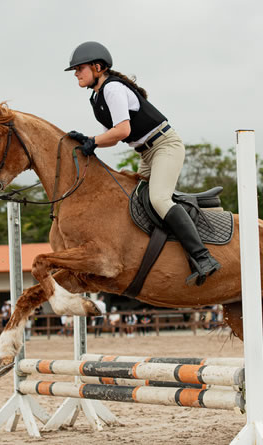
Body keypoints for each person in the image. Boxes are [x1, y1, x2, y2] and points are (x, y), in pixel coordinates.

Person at [64, 41, 220, 286]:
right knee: (137, 201)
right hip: (146, 153)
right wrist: (89, 139)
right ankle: (180, 228)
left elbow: (122, 130)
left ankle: (203, 257)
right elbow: (113, 138)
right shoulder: (97, 98)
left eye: (79, 68)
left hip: (164, 146)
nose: (75, 73)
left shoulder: (113, 89)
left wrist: (93, 141)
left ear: (97, 67)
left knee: (158, 200)